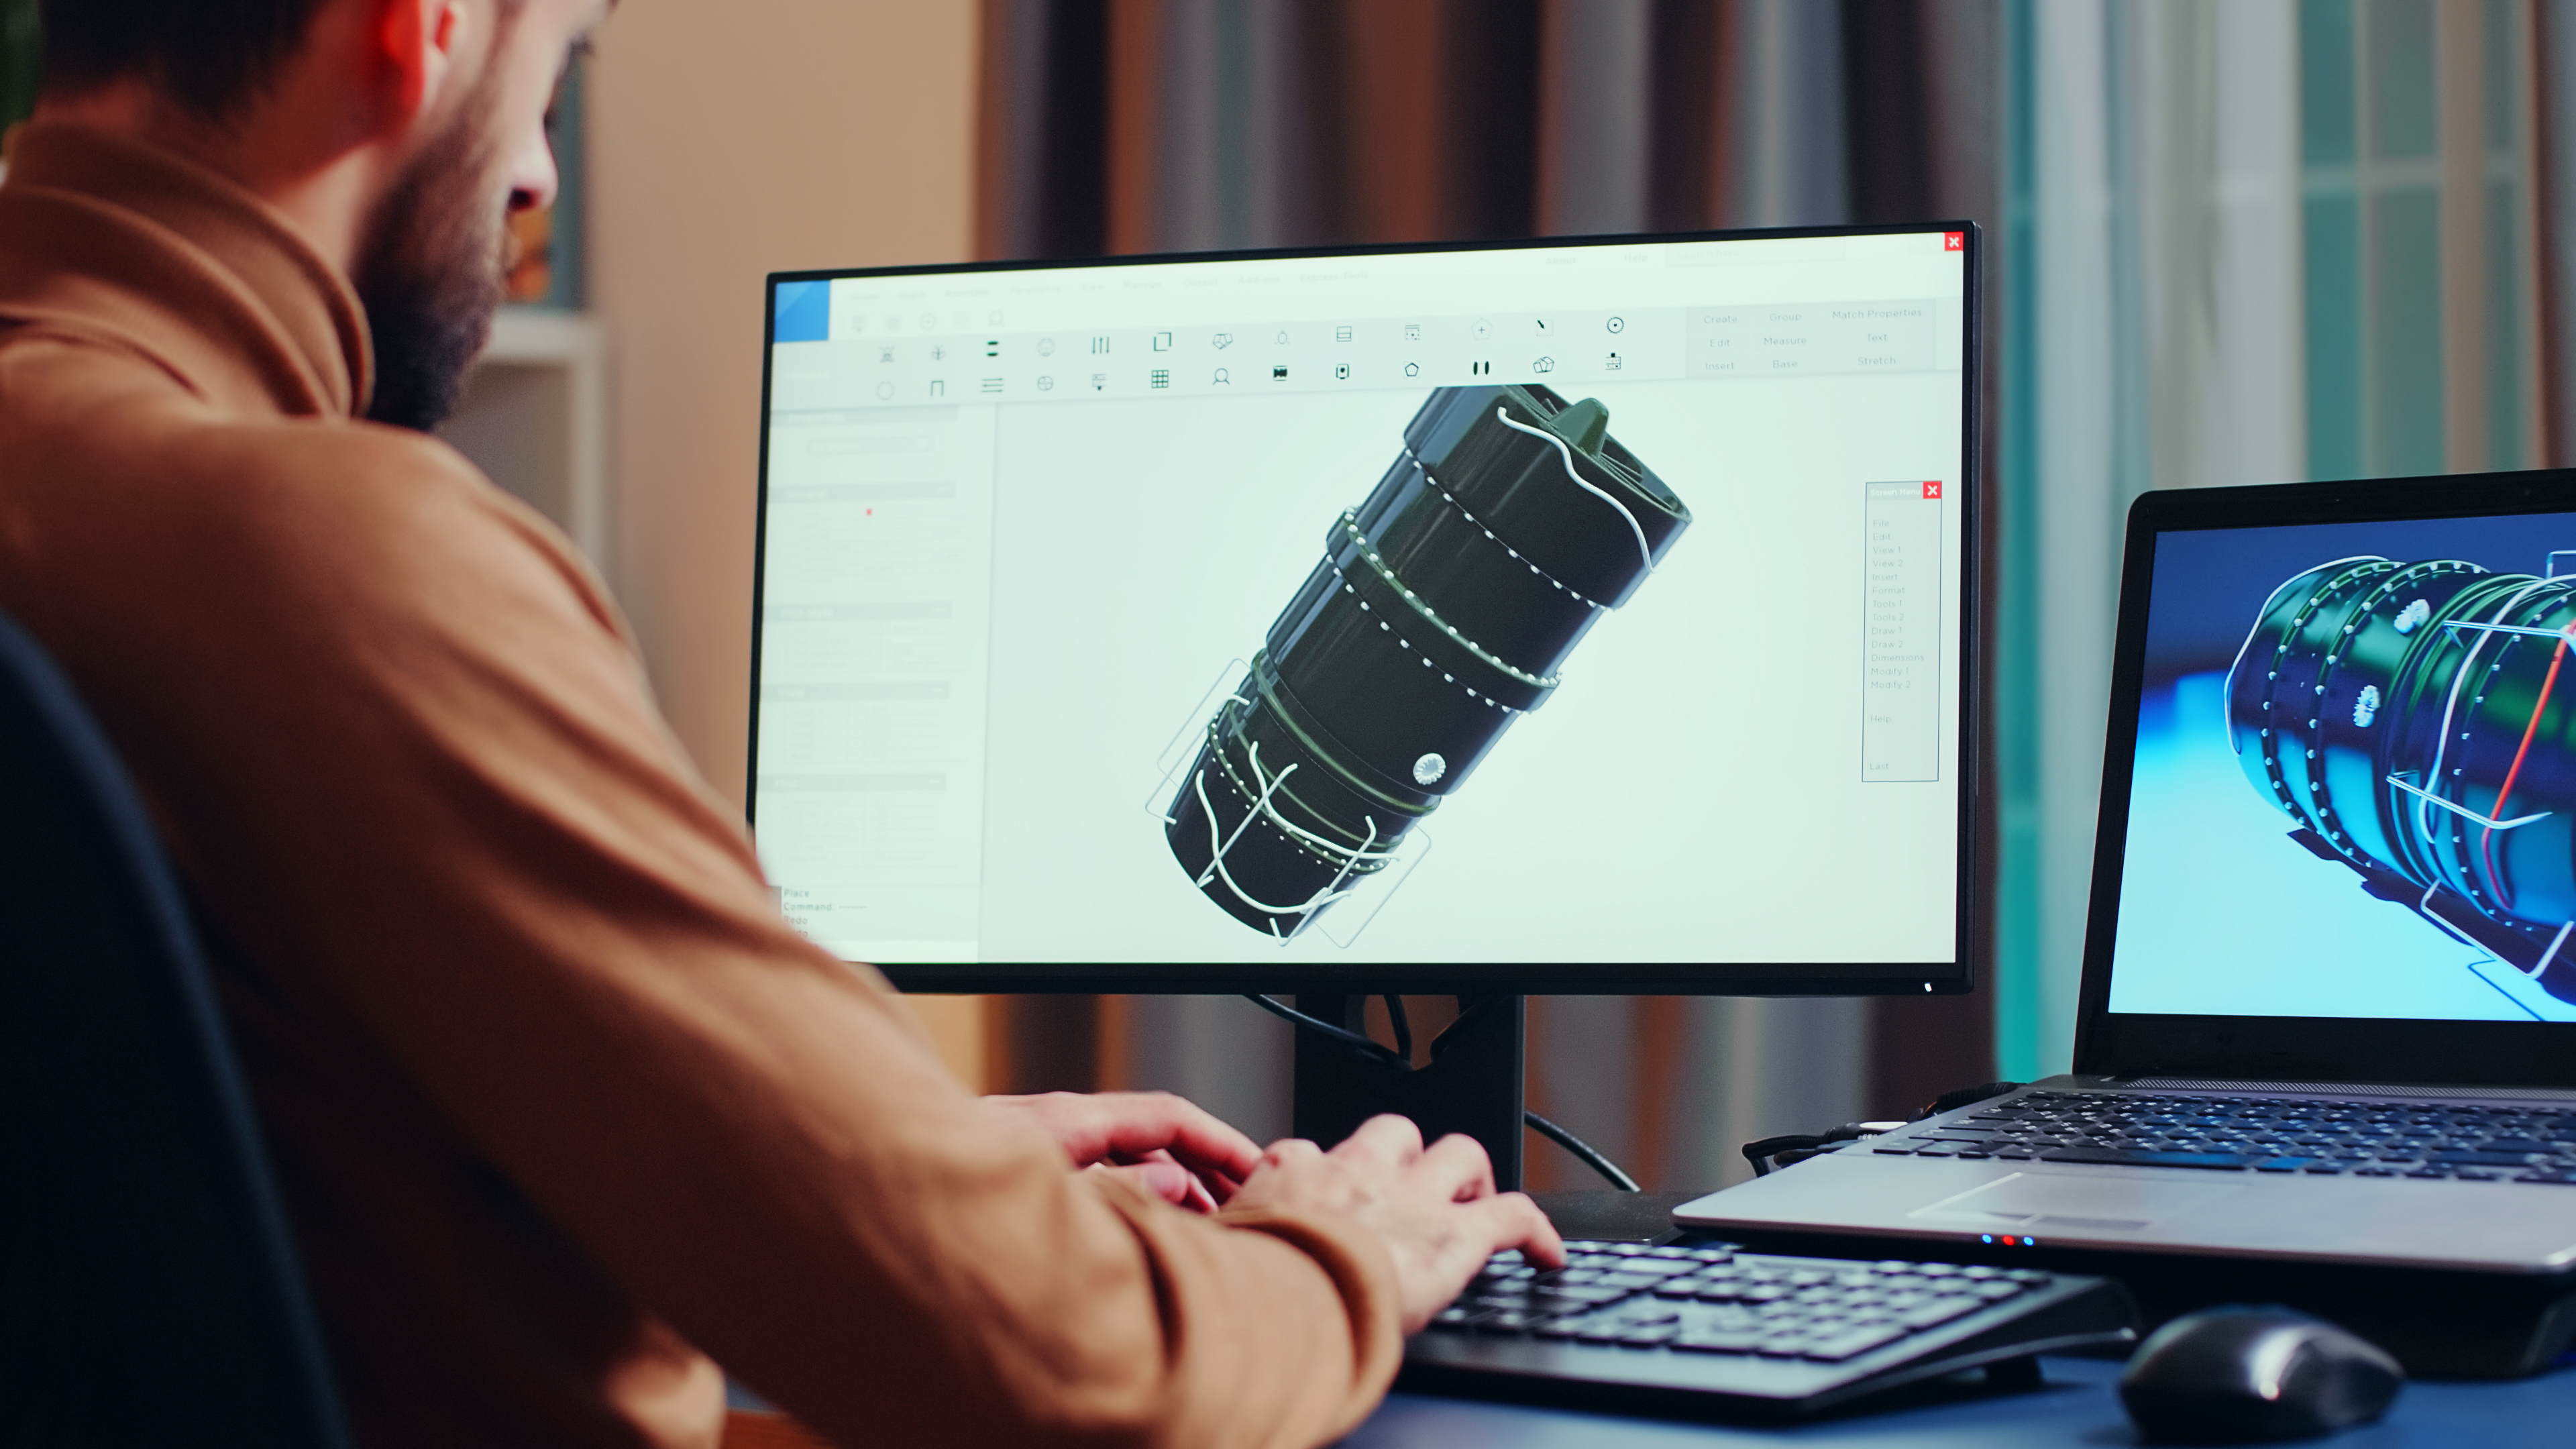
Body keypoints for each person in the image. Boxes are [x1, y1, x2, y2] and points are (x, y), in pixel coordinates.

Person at [0, 1, 1563, 1445]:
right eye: (558, 73)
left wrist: (855, 1170)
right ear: (425, 27)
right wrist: (1338, 1249)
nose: (535, 175)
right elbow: (1071, 1375)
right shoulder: (332, 562)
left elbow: (245, 1173)